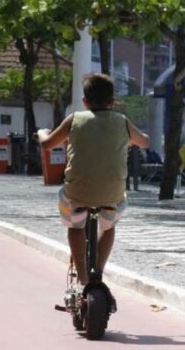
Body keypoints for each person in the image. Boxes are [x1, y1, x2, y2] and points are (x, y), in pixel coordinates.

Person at [38, 73, 149, 309]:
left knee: (75, 227)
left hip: (76, 194)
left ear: (85, 100)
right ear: (112, 100)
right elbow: (145, 142)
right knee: (108, 226)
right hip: (112, 196)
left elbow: (47, 144)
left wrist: (41, 132)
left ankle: (84, 279)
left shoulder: (74, 119)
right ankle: (98, 270)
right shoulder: (122, 121)